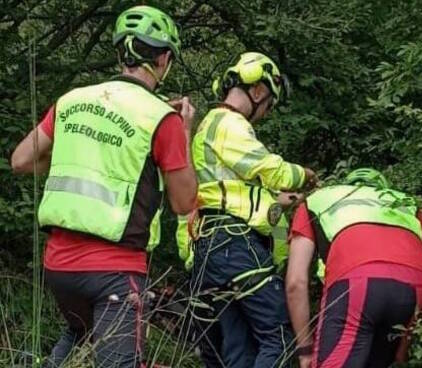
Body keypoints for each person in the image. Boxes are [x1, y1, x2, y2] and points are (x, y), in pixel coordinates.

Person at [10, 5, 197, 367]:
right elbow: (184, 201)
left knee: (77, 339)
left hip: (59, 266)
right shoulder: (161, 117)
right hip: (114, 270)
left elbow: (21, 160)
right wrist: (183, 132)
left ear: (120, 53)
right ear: (164, 59)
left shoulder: (72, 100)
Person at [186, 51, 318, 368]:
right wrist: (305, 175)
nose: (267, 112)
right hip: (235, 245)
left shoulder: (212, 127)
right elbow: (269, 168)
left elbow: (235, 193)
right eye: (269, 104)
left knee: (239, 349)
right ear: (258, 91)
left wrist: (279, 201)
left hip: (212, 247)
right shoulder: (227, 123)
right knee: (280, 338)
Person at [285, 168, 422, 368]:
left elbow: (296, 281)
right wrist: (403, 349)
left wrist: (304, 349)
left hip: (358, 284)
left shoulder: (318, 200)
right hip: (414, 288)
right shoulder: (407, 203)